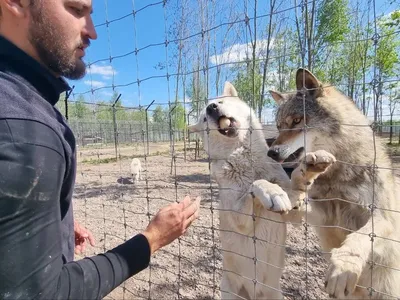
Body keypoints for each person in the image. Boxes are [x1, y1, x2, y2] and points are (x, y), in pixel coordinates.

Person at [0, 0, 201, 299]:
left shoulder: (19, 99)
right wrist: (151, 240)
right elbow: (45, 293)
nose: (92, 32)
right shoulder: (25, 129)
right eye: (76, 9)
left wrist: (55, 219)